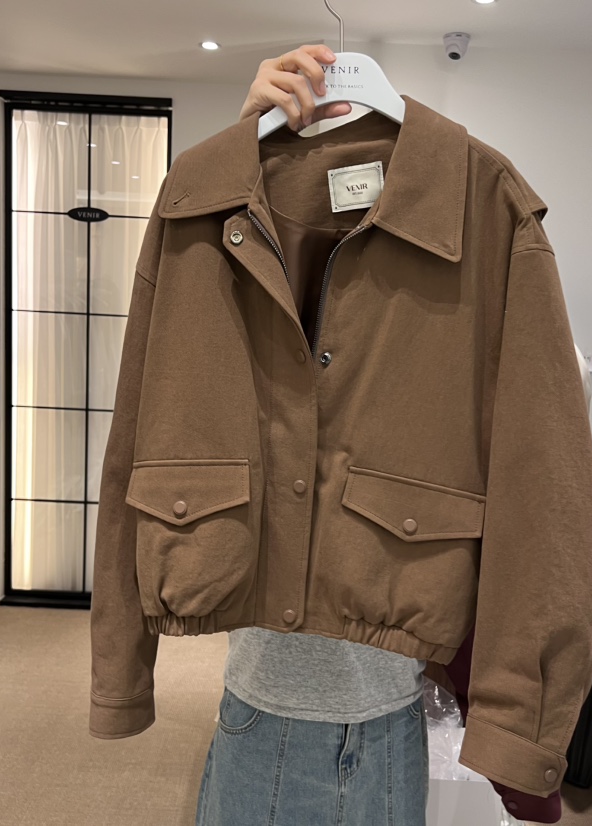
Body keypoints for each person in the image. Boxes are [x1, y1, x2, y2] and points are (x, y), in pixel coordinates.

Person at [194, 45, 431, 826]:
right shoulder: (227, 218)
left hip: (393, 705)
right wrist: (242, 164)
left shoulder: (464, 227)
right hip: (266, 697)